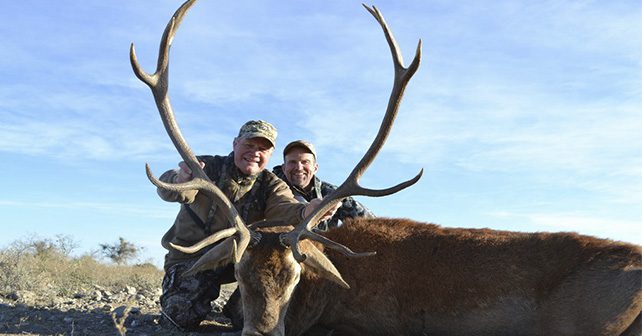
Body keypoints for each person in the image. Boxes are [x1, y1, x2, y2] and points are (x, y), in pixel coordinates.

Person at [156, 120, 335, 331]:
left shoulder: (272, 184)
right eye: (249, 145)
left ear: (270, 155)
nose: (255, 152)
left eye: (262, 148)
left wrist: (306, 211)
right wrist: (180, 179)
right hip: (194, 259)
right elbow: (171, 190)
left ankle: (236, 308)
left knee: (253, 320)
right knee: (179, 319)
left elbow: (284, 208)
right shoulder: (206, 168)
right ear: (235, 143)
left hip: (242, 261)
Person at [273, 140, 375, 232]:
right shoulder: (270, 189)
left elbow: (370, 222)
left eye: (305, 162)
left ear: (315, 168)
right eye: (292, 162)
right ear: (284, 168)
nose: (299, 168)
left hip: (321, 250)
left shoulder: (332, 193)